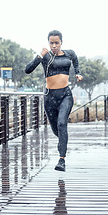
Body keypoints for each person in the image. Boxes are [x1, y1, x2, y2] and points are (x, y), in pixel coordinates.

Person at [25, 30, 83, 172]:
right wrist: (39, 56)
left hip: (65, 95)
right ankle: (61, 142)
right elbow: (28, 70)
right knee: (56, 129)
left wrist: (77, 72)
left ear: (61, 42)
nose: (54, 46)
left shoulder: (70, 53)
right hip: (49, 97)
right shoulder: (45, 56)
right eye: (51, 43)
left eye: (57, 43)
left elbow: (75, 62)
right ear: (48, 43)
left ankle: (62, 159)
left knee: (62, 123)